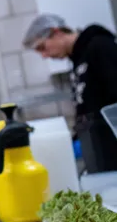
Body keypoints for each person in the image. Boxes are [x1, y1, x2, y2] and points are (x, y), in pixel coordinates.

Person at [22, 14, 117, 172]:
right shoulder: (77, 60)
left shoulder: (100, 45)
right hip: (99, 149)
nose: (44, 55)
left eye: (42, 47)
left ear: (56, 32)